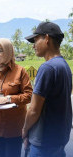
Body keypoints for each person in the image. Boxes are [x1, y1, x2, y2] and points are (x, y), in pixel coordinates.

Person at [22, 22, 72, 157]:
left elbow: (33, 110)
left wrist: (25, 130)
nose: (33, 45)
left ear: (47, 39)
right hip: (58, 139)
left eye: (36, 40)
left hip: (43, 142)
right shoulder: (64, 66)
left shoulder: (47, 68)